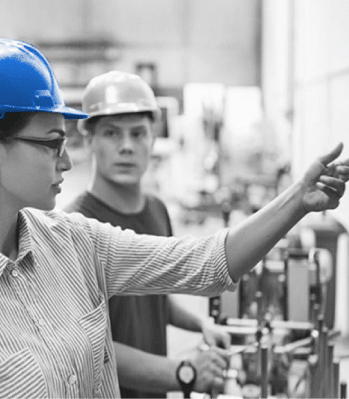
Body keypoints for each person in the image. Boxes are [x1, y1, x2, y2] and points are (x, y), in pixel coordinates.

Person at [0, 38, 349, 399]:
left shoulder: (73, 243)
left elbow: (205, 264)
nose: (67, 162)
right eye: (52, 143)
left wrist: (297, 200)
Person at [64, 70, 231, 398]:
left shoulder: (157, 211)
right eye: (112, 133)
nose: (126, 146)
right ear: (88, 139)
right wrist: (183, 373)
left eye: (138, 134)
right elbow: (84, 345)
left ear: (153, 139)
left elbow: (153, 298)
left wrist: (201, 326)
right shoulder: (72, 226)